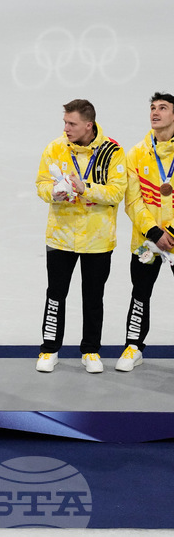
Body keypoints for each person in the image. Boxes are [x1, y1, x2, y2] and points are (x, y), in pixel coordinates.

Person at [34, 99, 126, 373]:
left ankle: (91, 351)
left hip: (98, 240)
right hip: (60, 236)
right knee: (55, 294)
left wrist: (85, 188)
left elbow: (116, 193)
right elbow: (41, 184)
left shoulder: (113, 151)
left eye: (71, 123)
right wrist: (54, 193)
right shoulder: (55, 148)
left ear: (88, 125)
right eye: (64, 122)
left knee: (93, 296)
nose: (66, 128)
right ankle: (49, 349)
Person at [118, 92, 174, 372]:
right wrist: (154, 232)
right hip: (147, 242)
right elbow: (132, 200)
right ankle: (133, 347)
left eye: (163, 108)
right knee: (140, 293)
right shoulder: (136, 153)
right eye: (153, 108)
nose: (156, 112)